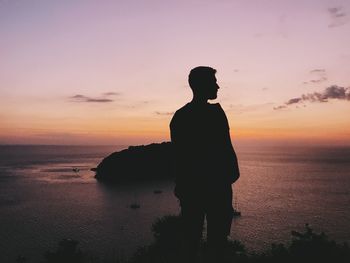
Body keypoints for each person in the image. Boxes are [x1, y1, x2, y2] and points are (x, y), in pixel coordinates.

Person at [170, 66, 240, 262]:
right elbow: (226, 147)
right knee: (217, 244)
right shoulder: (215, 113)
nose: (218, 86)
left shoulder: (180, 116)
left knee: (191, 241)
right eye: (213, 82)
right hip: (217, 187)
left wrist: (182, 185)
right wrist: (231, 174)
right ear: (201, 85)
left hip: (192, 188)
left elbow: (179, 157)